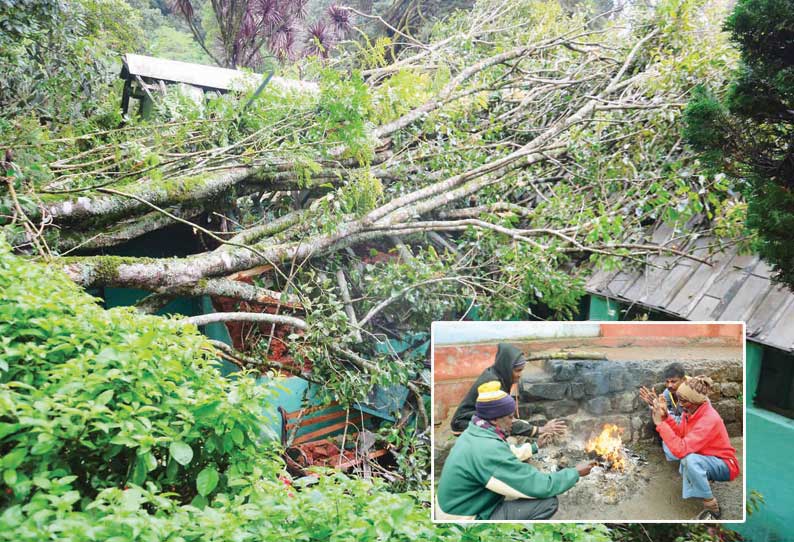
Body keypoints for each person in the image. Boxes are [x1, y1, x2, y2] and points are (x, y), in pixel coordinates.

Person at [436, 381, 595, 521]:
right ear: (495, 418)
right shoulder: (487, 450)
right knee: (547, 503)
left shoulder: (476, 432)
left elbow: (504, 454)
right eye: (510, 417)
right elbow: (538, 486)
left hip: (457, 507)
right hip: (462, 519)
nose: (514, 422)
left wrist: (534, 447)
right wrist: (575, 473)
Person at [650, 375, 740, 520]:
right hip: (709, 458)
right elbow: (681, 433)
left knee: (689, 459)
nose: (680, 404)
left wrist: (660, 425)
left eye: (683, 401)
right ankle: (702, 482)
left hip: (726, 465)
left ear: (694, 401)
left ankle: (712, 507)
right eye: (679, 399)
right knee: (687, 460)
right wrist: (666, 416)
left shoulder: (709, 419)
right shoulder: (691, 412)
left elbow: (680, 449)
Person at [450, 343, 566, 438]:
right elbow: (501, 418)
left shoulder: (498, 374)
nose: (520, 375)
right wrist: (540, 430)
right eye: (517, 370)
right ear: (507, 367)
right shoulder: (493, 383)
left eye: (521, 370)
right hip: (464, 423)